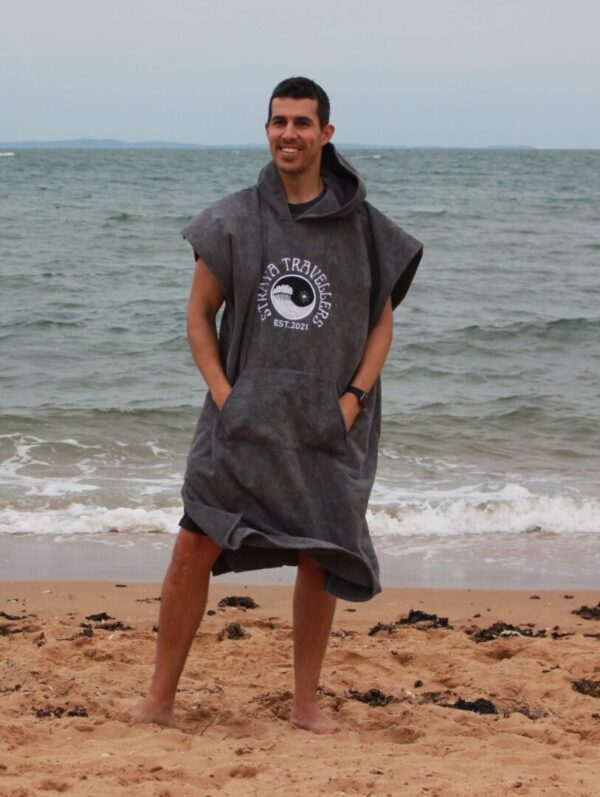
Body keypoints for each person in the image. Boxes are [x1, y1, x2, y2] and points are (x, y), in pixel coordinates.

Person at [132, 77, 423, 734]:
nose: (288, 133)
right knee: (193, 543)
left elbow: (381, 324)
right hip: (242, 421)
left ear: (326, 133)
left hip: (327, 425)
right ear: (267, 131)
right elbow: (199, 316)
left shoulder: (366, 231)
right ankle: (159, 698)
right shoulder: (233, 220)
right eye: (277, 121)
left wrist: (353, 400)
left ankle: (305, 703)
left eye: (302, 121)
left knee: (320, 552)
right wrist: (226, 395)